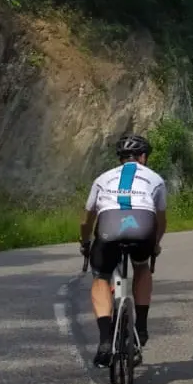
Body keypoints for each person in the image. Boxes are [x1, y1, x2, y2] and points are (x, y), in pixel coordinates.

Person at [79, 133, 167, 368]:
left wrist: (85, 242)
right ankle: (142, 326)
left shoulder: (102, 178)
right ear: (144, 157)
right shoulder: (155, 178)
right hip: (143, 226)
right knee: (141, 266)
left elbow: (87, 219)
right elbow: (161, 219)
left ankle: (105, 340)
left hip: (108, 226)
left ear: (120, 159)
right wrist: (155, 243)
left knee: (101, 277)